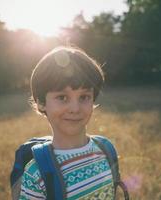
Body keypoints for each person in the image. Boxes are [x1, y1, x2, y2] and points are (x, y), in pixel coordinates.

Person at [19, 46, 119, 199]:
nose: (75, 108)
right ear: (41, 103)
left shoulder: (106, 150)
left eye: (84, 97)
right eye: (62, 97)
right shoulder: (36, 173)